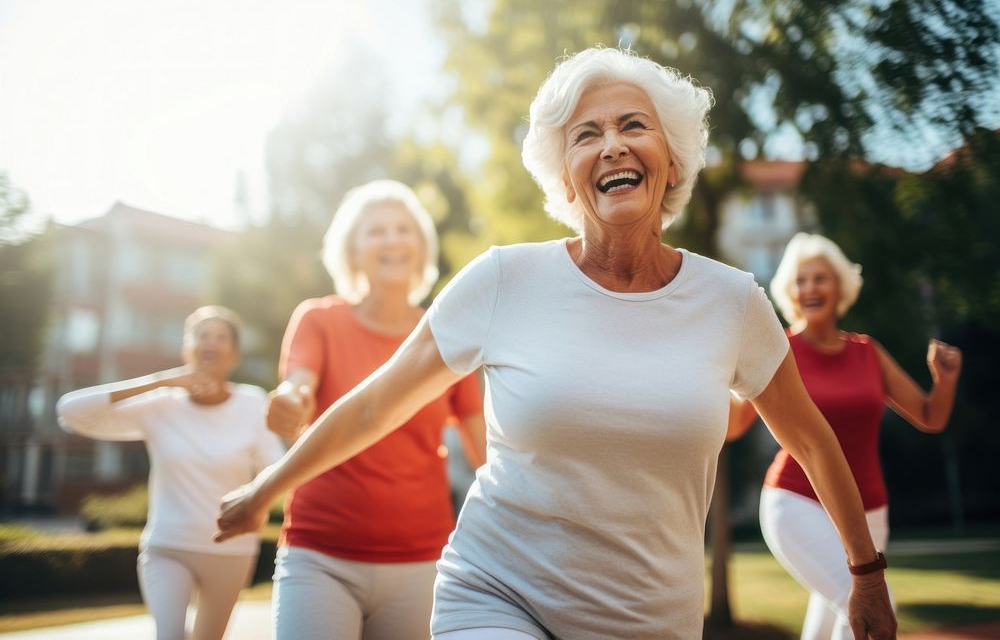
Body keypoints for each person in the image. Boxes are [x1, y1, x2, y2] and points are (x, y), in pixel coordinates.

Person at [216, 47, 896, 640]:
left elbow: (810, 439)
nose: (612, 145)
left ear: (673, 158)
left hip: (652, 617)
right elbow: (373, 406)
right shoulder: (504, 279)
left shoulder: (733, 301)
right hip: (495, 591)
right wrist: (263, 489)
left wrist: (865, 572)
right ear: (567, 177)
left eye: (635, 125)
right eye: (586, 135)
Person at [261, 179, 485, 640]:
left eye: (402, 229)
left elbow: (484, 451)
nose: (391, 239)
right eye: (376, 230)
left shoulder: (446, 334)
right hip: (319, 555)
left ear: (421, 247)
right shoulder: (319, 319)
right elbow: (299, 385)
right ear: (353, 250)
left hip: (421, 561)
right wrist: (289, 400)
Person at [727, 232, 962, 640]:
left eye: (820, 278)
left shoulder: (868, 351)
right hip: (796, 502)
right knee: (871, 612)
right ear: (790, 292)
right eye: (801, 280)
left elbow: (930, 417)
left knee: (828, 626)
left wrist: (946, 380)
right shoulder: (777, 350)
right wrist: (715, 377)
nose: (811, 288)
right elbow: (733, 426)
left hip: (871, 513)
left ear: (840, 287)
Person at [58, 306, 284, 640]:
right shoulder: (159, 404)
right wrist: (161, 380)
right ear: (187, 348)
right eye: (201, 335)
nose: (210, 343)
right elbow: (71, 413)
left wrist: (258, 502)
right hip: (168, 547)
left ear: (233, 353)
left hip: (231, 550)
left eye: (221, 337)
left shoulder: (252, 402)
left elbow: (277, 466)